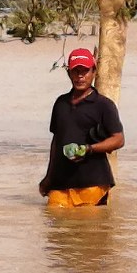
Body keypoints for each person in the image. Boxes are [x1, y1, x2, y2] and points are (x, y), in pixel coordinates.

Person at [39, 48, 125, 208]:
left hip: (93, 183)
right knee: (55, 228)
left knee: (88, 230)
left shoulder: (104, 105)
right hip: (60, 183)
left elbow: (118, 140)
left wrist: (88, 149)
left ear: (94, 72)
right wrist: (49, 177)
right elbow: (56, 141)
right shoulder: (60, 103)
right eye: (75, 71)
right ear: (69, 73)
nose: (80, 76)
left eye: (85, 71)